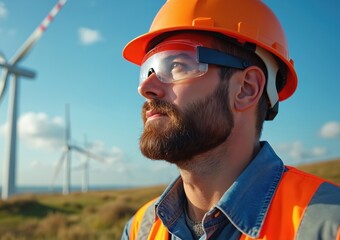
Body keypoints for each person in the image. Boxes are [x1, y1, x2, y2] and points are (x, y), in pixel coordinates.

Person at [121, 0, 340, 239]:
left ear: (246, 89)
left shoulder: (328, 225)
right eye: (148, 69)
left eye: (176, 65)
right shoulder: (140, 228)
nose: (145, 87)